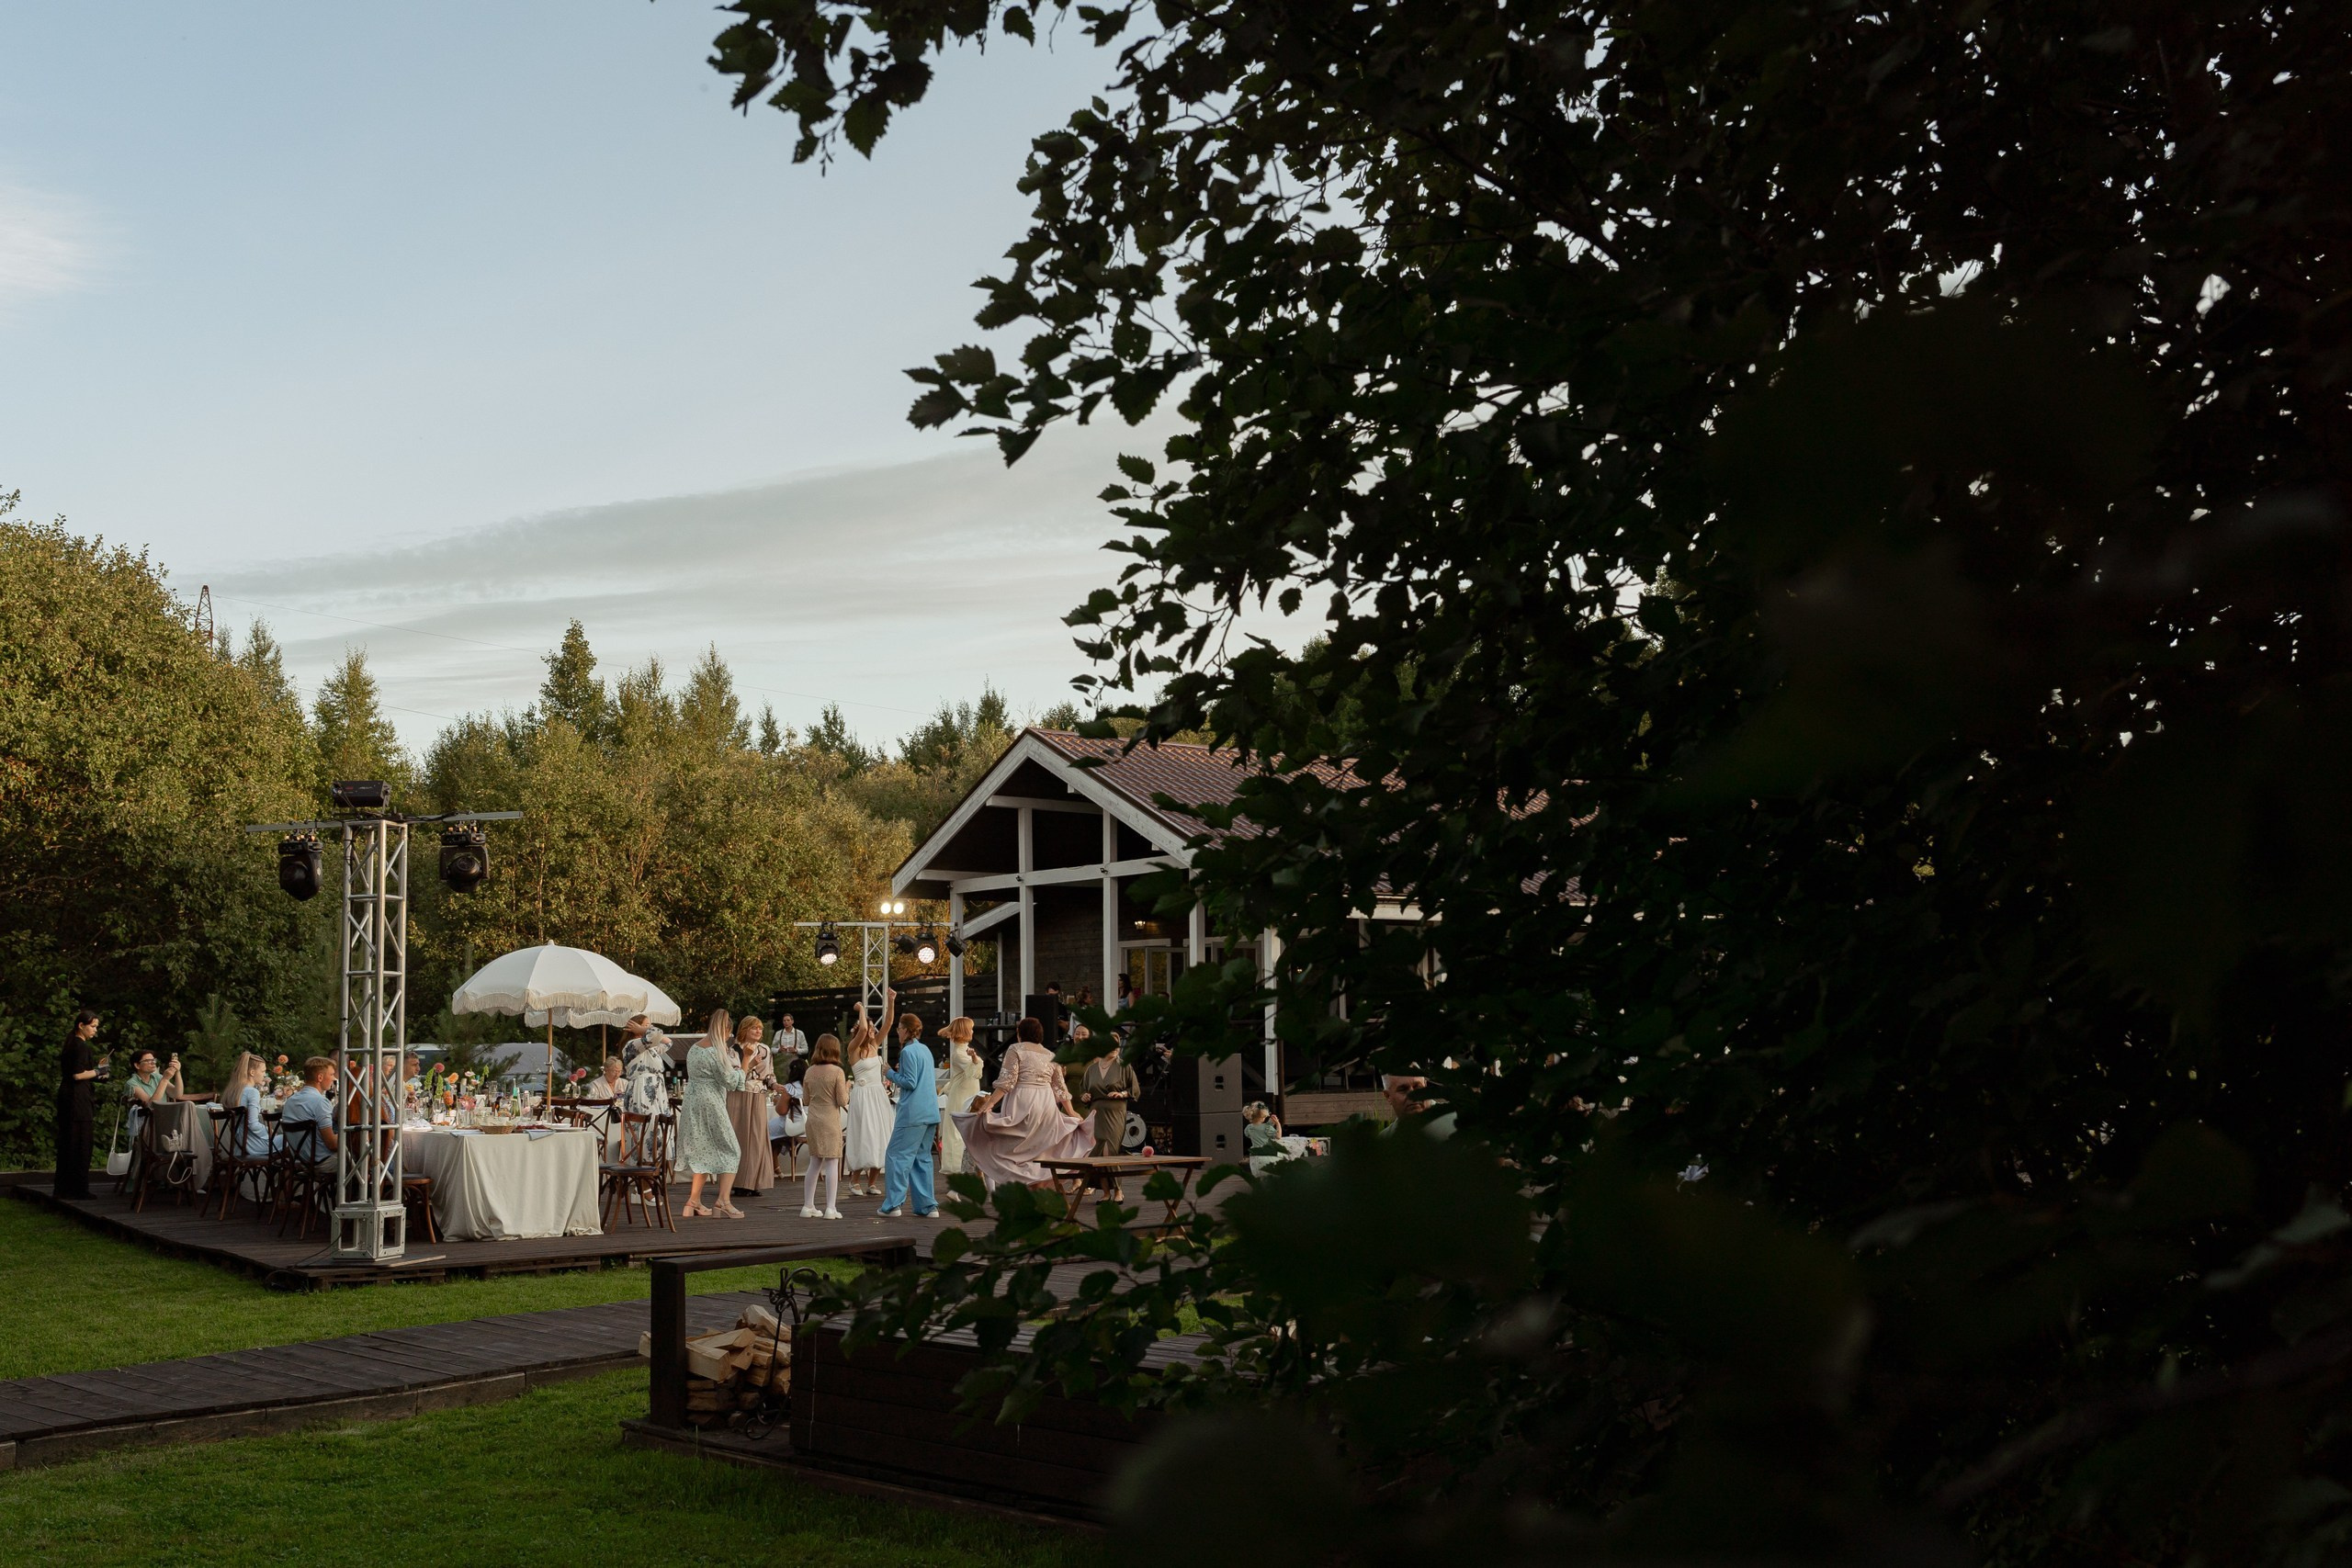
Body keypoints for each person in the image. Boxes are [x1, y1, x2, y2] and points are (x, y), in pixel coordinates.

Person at [952, 1017, 1092, 1191]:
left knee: (1013, 1147)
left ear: (1020, 1034)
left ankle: (1021, 1187)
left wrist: (990, 1104)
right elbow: (1060, 1088)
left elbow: (1007, 1082)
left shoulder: (1015, 1049)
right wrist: (1071, 1112)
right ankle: (1036, 1188)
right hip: (1046, 1104)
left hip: (1023, 1101)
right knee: (1039, 1147)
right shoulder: (1050, 1055)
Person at [678, 1009, 746, 1219]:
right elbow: (731, 1082)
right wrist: (745, 1064)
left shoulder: (694, 1048)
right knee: (732, 1150)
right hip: (711, 1102)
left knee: (704, 1150)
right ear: (725, 1030)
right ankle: (724, 1201)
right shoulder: (716, 1052)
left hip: (692, 1101)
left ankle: (693, 1201)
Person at [877, 993, 940, 1218]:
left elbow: (910, 1082)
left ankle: (893, 1205)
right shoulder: (925, 1050)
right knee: (922, 1158)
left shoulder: (907, 1051)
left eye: (899, 1028)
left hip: (913, 1113)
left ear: (905, 1030)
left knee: (896, 1155)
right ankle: (927, 1206)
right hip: (930, 1112)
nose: (897, 1032)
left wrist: (890, 1073)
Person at [52, 1010, 107, 1200]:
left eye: (96, 1026)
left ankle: (63, 1188)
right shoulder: (80, 1046)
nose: (95, 1030)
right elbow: (77, 1075)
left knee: (68, 1143)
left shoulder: (72, 1045)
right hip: (77, 1101)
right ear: (81, 1026)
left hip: (71, 1098)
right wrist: (98, 1071)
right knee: (81, 1144)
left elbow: (82, 1073)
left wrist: (100, 1073)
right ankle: (78, 1189)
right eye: (93, 1026)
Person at [798, 1034, 852, 1219]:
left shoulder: (809, 1071)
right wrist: (847, 1087)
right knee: (832, 1162)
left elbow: (805, 1099)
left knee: (814, 1162)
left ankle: (808, 1205)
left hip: (813, 1119)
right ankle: (830, 1207)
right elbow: (842, 1100)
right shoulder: (837, 1072)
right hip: (830, 1120)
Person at [842, 1015, 893, 1197]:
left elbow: (888, 1023)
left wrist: (891, 1002)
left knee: (880, 1136)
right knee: (864, 1136)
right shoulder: (853, 1048)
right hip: (863, 1096)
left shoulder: (874, 1045)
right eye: (870, 1027)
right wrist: (861, 1009)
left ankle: (872, 1182)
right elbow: (864, 1029)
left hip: (878, 1094)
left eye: (873, 1027)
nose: (873, 1030)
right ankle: (854, 1180)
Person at [729, 1015, 778, 1197]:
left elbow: (769, 1073)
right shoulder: (734, 1050)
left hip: (758, 1095)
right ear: (745, 1030)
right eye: (754, 1028)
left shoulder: (765, 1049)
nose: (758, 1031)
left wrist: (774, 1085)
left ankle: (753, 1181)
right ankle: (737, 1182)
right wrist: (750, 1063)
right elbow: (733, 1076)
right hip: (739, 1095)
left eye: (760, 1028)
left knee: (757, 1138)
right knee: (739, 1137)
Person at [1078, 1033, 1140, 1158]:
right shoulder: (1092, 1069)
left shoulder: (1124, 1066)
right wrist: (1085, 1096)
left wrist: (1121, 1094)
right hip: (1096, 1114)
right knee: (1095, 1151)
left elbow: (1135, 1089)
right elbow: (1083, 1089)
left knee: (1109, 1152)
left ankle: (1110, 1172)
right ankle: (1097, 1172)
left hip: (1114, 1114)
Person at [936, 1017, 985, 1176]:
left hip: (967, 1092)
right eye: (970, 1028)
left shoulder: (963, 1050)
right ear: (964, 1031)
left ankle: (966, 1165)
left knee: (965, 1130)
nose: (972, 1031)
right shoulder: (958, 1053)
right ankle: (956, 1166)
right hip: (962, 1094)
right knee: (958, 1131)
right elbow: (972, 1071)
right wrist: (975, 1058)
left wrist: (974, 1058)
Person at [279, 1056, 341, 1167]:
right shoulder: (320, 1102)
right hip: (322, 1162)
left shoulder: (290, 1101)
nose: (334, 1078)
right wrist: (351, 1135)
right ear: (320, 1077)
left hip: (300, 1161)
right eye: (331, 1074)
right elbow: (332, 1145)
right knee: (362, 1155)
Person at [223, 1051, 276, 1158]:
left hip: (239, 1145)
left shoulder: (233, 1092)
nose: (264, 1075)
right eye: (263, 1071)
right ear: (252, 1072)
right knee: (289, 1140)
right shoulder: (252, 1092)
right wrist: (271, 1131)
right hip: (253, 1145)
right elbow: (253, 1124)